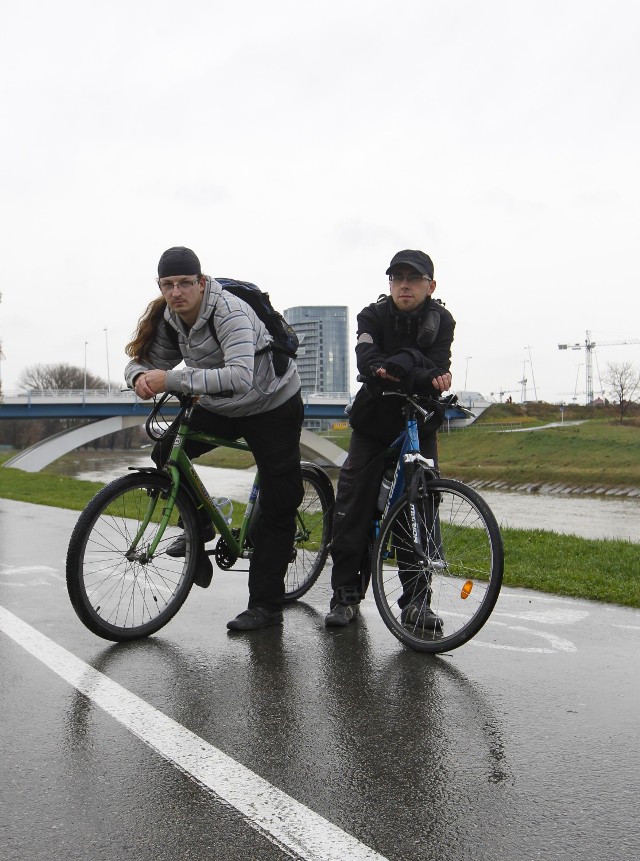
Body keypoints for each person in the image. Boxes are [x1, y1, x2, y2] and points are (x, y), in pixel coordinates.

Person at [124, 246, 304, 632]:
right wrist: (138, 377)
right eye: (168, 285)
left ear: (201, 283)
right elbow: (144, 361)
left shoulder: (231, 312)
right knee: (165, 452)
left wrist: (169, 380)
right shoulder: (172, 318)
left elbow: (240, 376)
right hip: (222, 406)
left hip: (271, 401)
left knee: (279, 500)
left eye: (185, 283)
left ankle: (266, 608)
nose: (177, 292)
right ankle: (201, 525)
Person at [325, 249, 455, 629]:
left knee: (418, 510)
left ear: (430, 286)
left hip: (419, 424)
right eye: (397, 278)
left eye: (412, 279)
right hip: (373, 424)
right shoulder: (372, 315)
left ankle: (417, 602)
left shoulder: (442, 320)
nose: (403, 285)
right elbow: (369, 363)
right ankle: (345, 595)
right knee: (354, 507)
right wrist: (415, 366)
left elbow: (441, 366)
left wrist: (402, 362)